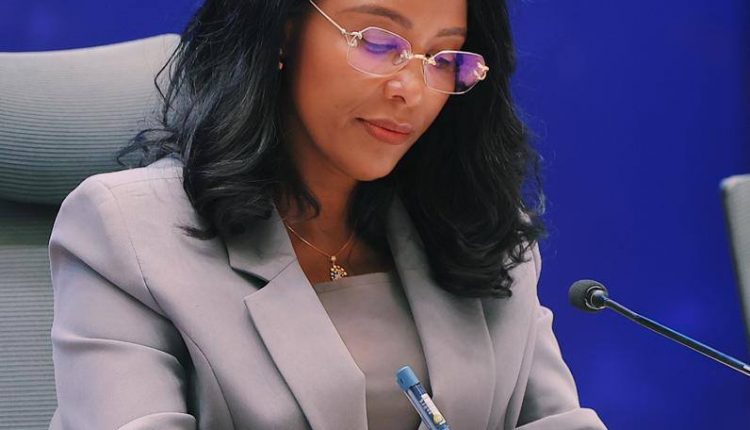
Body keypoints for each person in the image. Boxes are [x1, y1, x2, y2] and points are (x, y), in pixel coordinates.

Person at [47, 0, 606, 429]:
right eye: (379, 43)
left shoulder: (481, 230)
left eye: (444, 59)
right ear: (284, 31)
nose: (412, 90)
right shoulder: (127, 233)